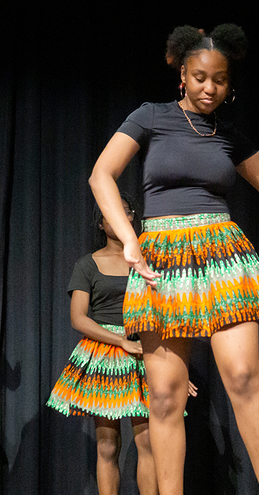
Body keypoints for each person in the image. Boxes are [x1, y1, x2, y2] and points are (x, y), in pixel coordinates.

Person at [88, 24, 259, 495]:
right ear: (182, 74)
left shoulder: (230, 136)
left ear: (230, 84)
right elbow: (101, 175)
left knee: (242, 376)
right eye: (199, 77)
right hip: (162, 259)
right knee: (164, 395)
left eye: (219, 80)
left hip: (223, 257)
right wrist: (129, 240)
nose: (208, 88)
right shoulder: (151, 117)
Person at [48, 195, 195, 495]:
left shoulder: (147, 261)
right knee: (106, 444)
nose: (121, 216)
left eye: (127, 211)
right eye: (112, 213)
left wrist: (176, 368)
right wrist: (120, 341)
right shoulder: (88, 264)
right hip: (105, 355)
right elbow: (78, 318)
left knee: (148, 441)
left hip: (145, 348)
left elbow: (164, 312)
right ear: (101, 223)